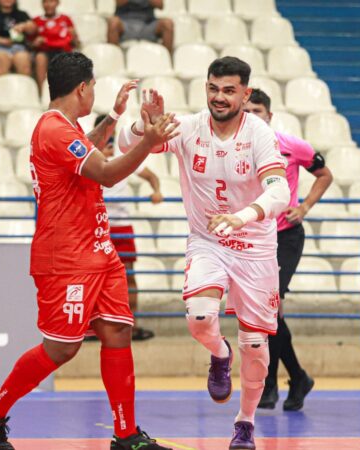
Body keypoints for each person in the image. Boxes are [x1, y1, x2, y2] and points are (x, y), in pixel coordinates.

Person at [0, 52, 179, 450]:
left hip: (99, 251)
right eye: (94, 87)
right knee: (62, 348)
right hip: (65, 257)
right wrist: (150, 141)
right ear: (82, 88)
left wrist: (113, 117)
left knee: (117, 331)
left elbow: (90, 150)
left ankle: (126, 435)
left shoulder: (66, 127)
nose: (94, 93)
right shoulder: (54, 130)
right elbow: (107, 173)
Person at [118, 56, 289, 449]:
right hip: (208, 241)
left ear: (245, 94)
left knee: (256, 347)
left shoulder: (259, 134)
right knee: (199, 318)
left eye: (229, 90)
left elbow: (279, 191)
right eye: (213, 88)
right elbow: (125, 144)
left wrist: (241, 217)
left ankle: (245, 422)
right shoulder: (189, 127)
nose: (219, 97)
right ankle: (219, 352)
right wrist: (145, 126)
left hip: (255, 250)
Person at [242, 89, 334, 412]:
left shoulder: (290, 145)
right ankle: (296, 378)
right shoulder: (234, 150)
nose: (251, 116)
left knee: (270, 307)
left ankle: (272, 385)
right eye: (246, 111)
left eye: (257, 111)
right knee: (261, 313)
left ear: (269, 116)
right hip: (253, 238)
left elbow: (324, 174)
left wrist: (304, 206)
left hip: (285, 237)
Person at [97, 114, 161, 342]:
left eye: (111, 134)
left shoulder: (124, 155)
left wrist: (157, 191)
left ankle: (132, 326)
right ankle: (93, 328)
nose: (108, 140)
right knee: (94, 280)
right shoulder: (88, 157)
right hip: (97, 227)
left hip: (121, 226)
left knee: (128, 277)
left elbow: (151, 176)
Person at [29, 0, 79, 89]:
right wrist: (34, 43)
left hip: (62, 50)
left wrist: (74, 37)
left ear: (57, 3)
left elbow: (75, 43)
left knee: (65, 58)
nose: (48, 5)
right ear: (42, 4)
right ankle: (42, 91)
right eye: (45, 2)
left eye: (51, 1)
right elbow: (30, 44)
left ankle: (64, 91)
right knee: (40, 57)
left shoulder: (65, 19)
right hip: (44, 52)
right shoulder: (36, 20)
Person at [108, 0, 174, 53]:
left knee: (168, 24)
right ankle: (114, 60)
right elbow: (118, 2)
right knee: (113, 23)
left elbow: (160, 5)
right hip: (125, 24)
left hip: (148, 25)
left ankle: (165, 60)